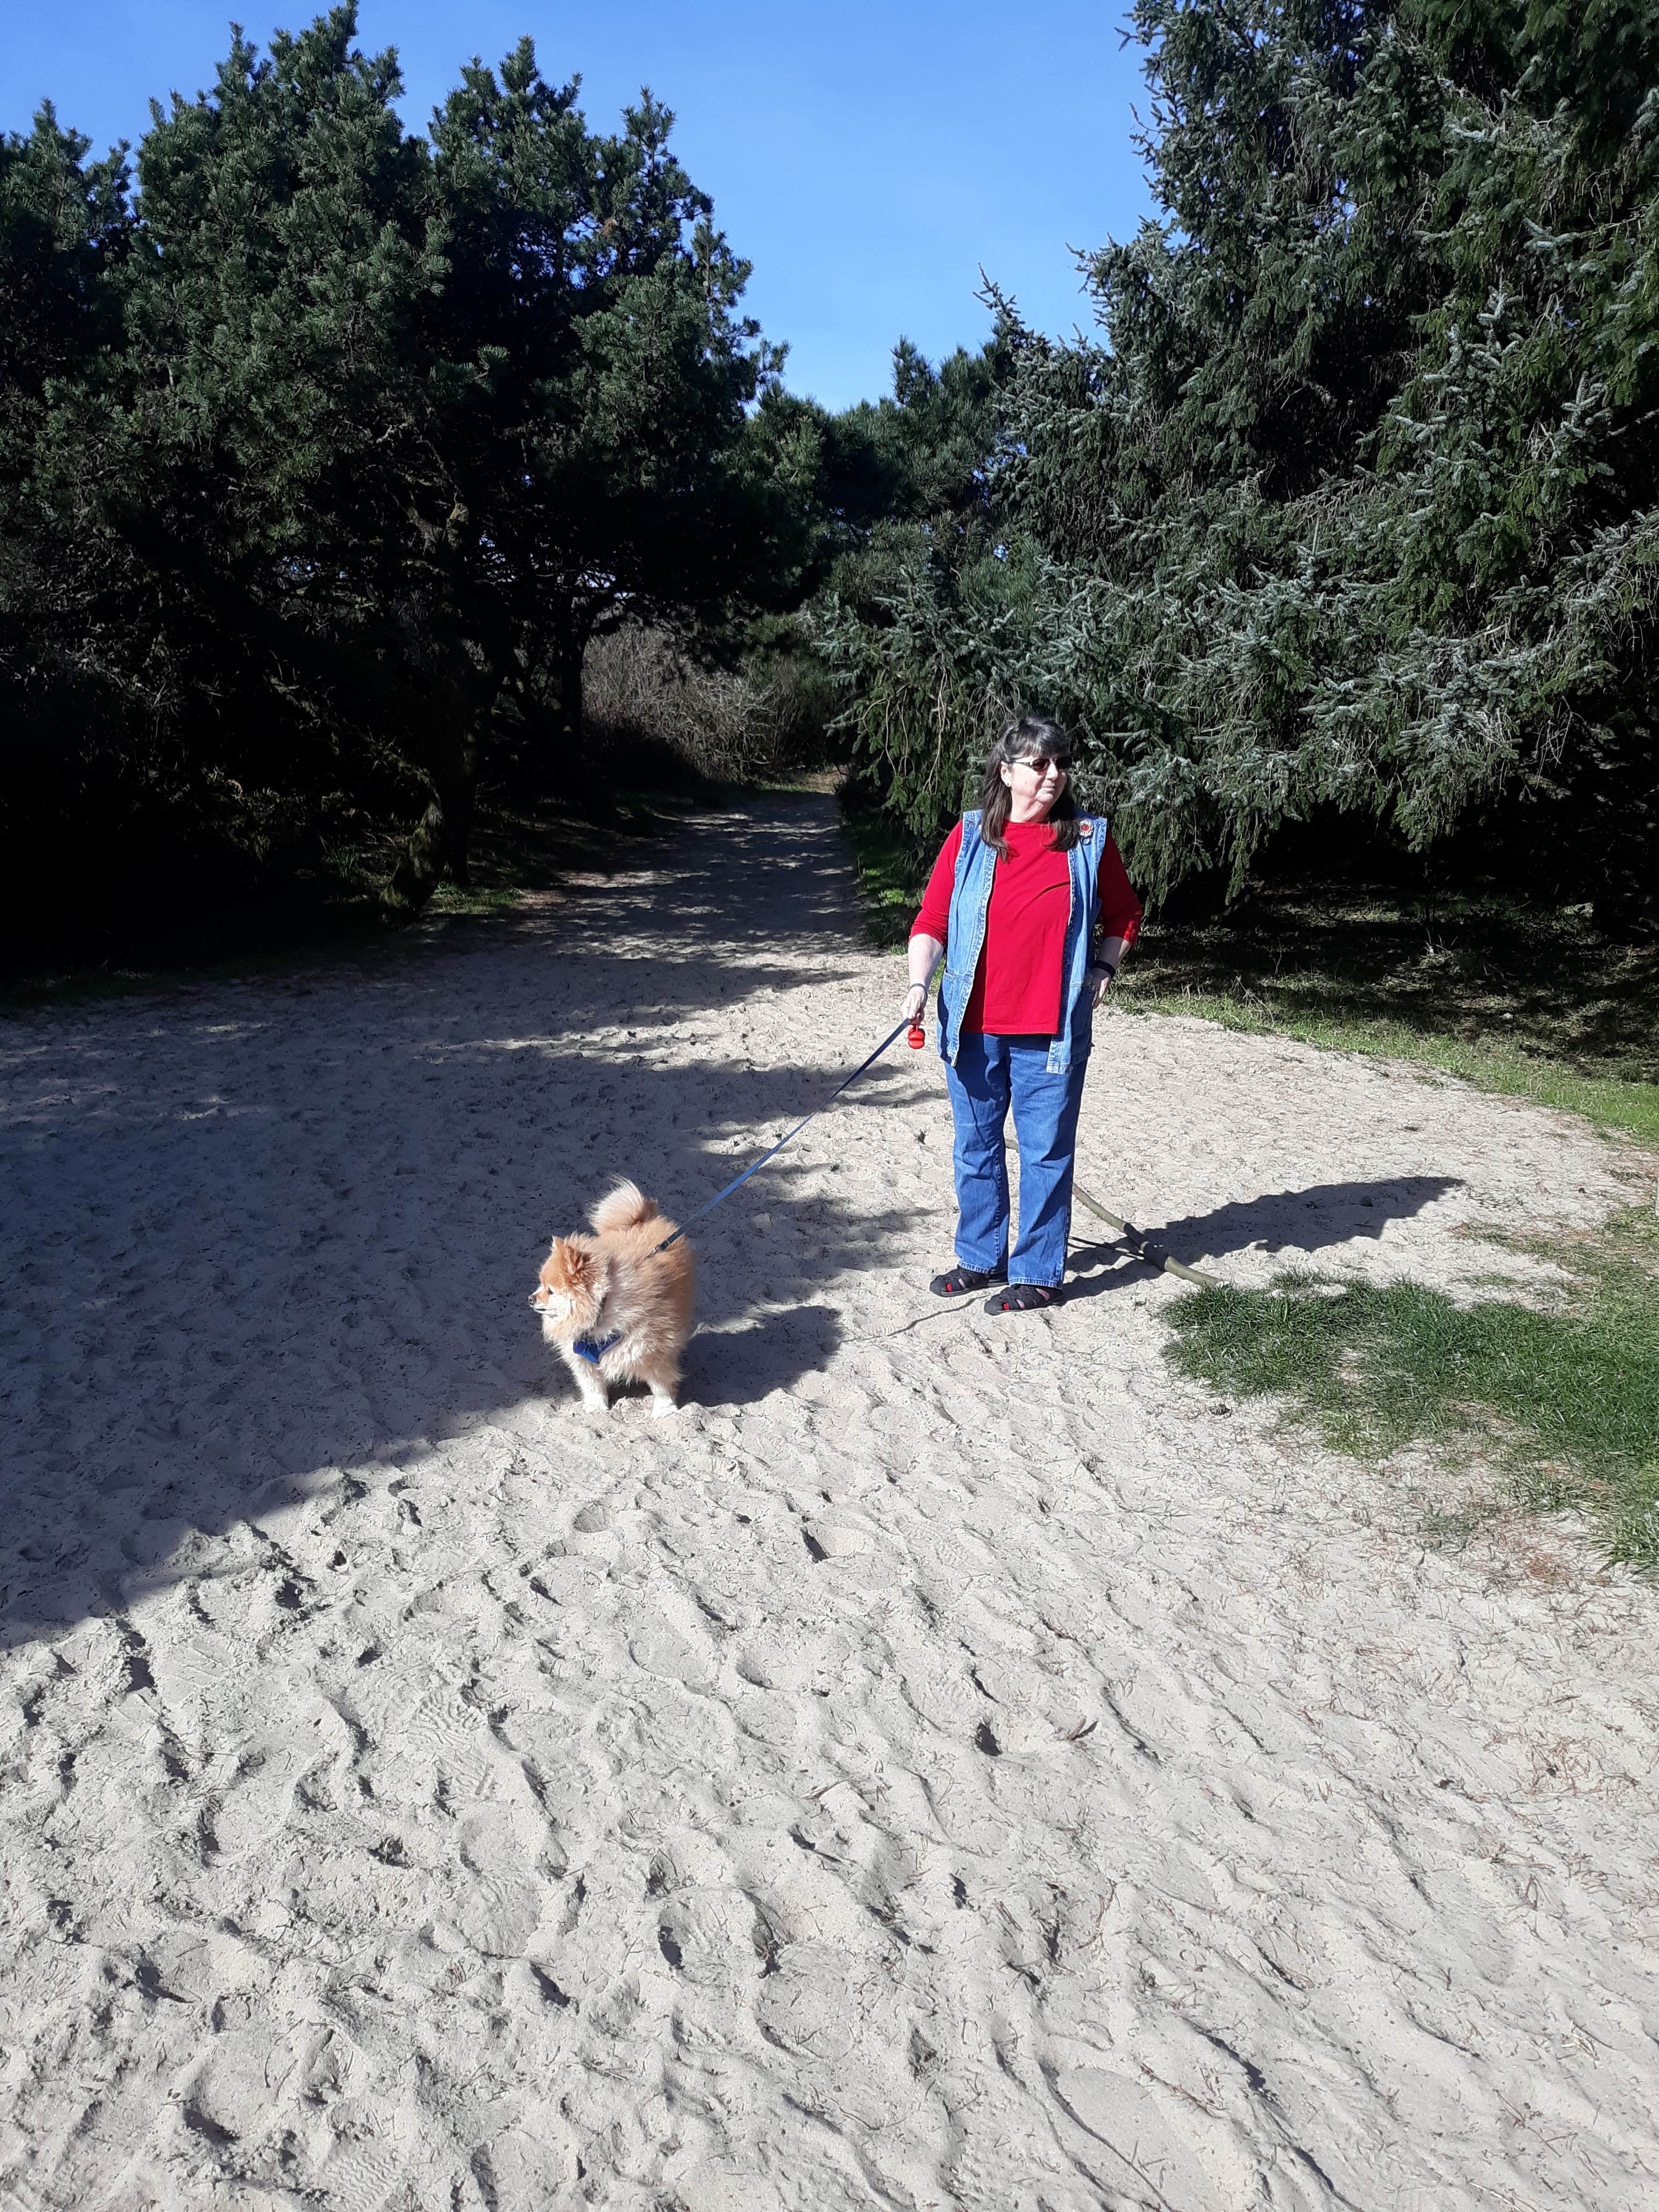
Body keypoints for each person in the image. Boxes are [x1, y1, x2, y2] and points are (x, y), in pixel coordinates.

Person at [901, 715, 1142, 1313]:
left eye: (1061, 764)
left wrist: (1104, 969)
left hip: (1052, 1033)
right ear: (1007, 773)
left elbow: (1125, 913)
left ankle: (1037, 1273)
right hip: (972, 1028)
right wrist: (918, 985)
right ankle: (981, 1258)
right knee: (975, 1148)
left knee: (1045, 1155)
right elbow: (932, 921)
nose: (1053, 775)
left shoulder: (1087, 840)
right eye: (1040, 764)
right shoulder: (969, 837)